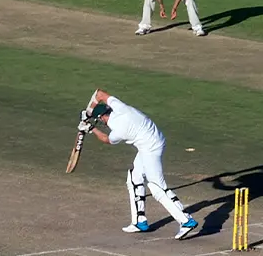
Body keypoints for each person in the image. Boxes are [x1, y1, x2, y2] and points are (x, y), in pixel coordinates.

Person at [82, 90, 199, 239]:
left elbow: (107, 139)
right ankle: (139, 221)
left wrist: (90, 128)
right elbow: (99, 94)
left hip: (151, 148)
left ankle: (186, 220)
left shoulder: (119, 129)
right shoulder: (120, 107)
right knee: (134, 178)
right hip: (152, 140)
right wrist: (89, 110)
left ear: (103, 118)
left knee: (156, 187)